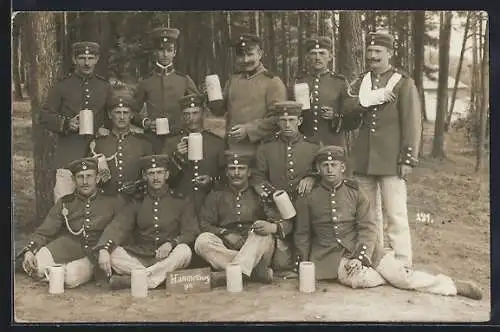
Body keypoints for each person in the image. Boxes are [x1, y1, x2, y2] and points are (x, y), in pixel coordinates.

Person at [294, 146, 483, 300]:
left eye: (333, 165)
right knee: (359, 280)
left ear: (342, 167)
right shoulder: (309, 197)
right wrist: (304, 263)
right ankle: (393, 276)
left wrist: (360, 257)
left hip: (363, 248)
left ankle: (452, 286)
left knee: (401, 277)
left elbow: (367, 227)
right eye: (325, 165)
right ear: (318, 169)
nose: (329, 169)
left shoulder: (355, 192)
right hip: (330, 255)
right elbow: (302, 233)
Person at [342, 32, 423, 267]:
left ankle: (402, 261)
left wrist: (408, 158)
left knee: (395, 213)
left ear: (390, 53)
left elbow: (412, 123)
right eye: (370, 51)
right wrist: (367, 99)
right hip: (364, 159)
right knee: (368, 214)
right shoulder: (361, 82)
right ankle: (374, 257)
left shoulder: (403, 82)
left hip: (391, 159)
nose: (373, 56)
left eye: (379, 52)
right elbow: (347, 110)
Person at [96, 155, 199, 290]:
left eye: (159, 172)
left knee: (184, 251)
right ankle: (155, 278)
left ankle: (143, 278)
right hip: (142, 257)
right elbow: (119, 226)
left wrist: (172, 243)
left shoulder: (180, 200)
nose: (156, 177)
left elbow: (191, 231)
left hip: (169, 256)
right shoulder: (138, 201)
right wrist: (104, 248)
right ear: (145, 176)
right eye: (151, 173)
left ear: (167, 174)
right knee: (113, 253)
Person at [20, 158, 125, 288]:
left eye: (89, 176)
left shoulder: (112, 202)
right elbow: (46, 230)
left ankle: (75, 271)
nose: (85, 182)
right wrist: (30, 250)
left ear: (97, 178)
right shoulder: (65, 202)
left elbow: (119, 229)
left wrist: (105, 249)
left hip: (95, 252)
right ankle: (55, 270)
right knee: (37, 264)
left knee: (69, 278)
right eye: (80, 177)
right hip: (70, 246)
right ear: (74, 180)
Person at [194, 150, 283, 285]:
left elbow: (280, 220)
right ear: (226, 172)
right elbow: (205, 223)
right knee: (202, 241)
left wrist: (270, 226)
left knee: (263, 235)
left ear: (249, 172)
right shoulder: (217, 194)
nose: (236, 173)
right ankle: (255, 273)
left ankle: (227, 276)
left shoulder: (260, 192)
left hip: (255, 245)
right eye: (232, 169)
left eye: (241, 169)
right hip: (228, 246)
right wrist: (225, 233)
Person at [40, 41, 113, 202]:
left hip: (96, 152)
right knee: (64, 198)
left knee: (97, 202)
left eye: (90, 58)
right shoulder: (62, 86)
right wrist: (66, 124)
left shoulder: (104, 86)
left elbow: (113, 116)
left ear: (97, 59)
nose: (86, 63)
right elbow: (44, 116)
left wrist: (105, 127)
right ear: (74, 59)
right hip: (69, 152)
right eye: (82, 58)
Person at [252, 101, 320, 273]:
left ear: (300, 121)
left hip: (306, 208)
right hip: (277, 209)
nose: (287, 124)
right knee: (281, 264)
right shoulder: (266, 147)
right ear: (277, 122)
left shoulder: (312, 146)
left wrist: (312, 177)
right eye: (283, 120)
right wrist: (274, 195)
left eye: (291, 119)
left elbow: (321, 172)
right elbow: (258, 178)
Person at [207, 33, 287, 154]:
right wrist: (211, 96)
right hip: (233, 149)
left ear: (260, 54)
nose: (245, 60)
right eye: (241, 55)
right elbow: (219, 111)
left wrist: (249, 130)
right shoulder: (233, 80)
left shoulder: (272, 82)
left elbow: (279, 118)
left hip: (261, 150)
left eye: (250, 54)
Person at [132, 27, 200, 153]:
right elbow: (131, 111)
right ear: (155, 53)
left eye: (169, 50)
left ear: (174, 52)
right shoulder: (145, 81)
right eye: (161, 50)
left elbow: (199, 108)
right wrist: (145, 122)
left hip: (179, 138)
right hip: (153, 140)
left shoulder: (184, 80)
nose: (165, 54)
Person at [162, 93, 226, 213]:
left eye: (195, 113)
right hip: (180, 203)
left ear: (203, 114)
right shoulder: (172, 142)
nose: (191, 118)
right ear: (182, 116)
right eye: (186, 114)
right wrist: (177, 157)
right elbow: (164, 179)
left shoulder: (216, 142)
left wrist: (211, 180)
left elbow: (225, 176)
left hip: (210, 203)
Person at [291, 36, 360, 147]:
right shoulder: (298, 82)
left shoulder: (340, 82)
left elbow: (353, 118)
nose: (317, 58)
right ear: (307, 57)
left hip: (332, 144)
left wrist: (335, 116)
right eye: (313, 53)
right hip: (304, 144)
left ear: (330, 57)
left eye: (322, 53)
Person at [89, 90, 153, 195]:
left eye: (126, 113)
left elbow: (152, 175)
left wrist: (138, 186)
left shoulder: (143, 143)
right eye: (118, 112)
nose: (122, 117)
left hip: (134, 203)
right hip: (105, 202)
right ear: (110, 115)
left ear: (132, 115)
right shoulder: (98, 144)